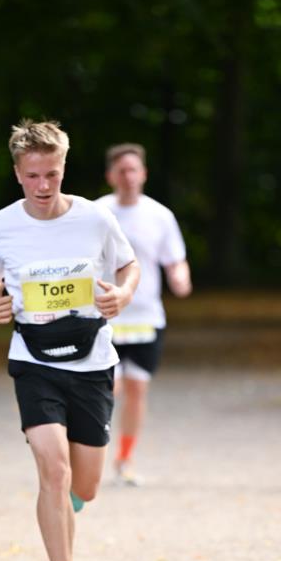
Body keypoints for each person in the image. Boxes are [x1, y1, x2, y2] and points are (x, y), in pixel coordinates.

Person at [0, 120, 139, 561]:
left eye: (53, 174)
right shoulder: (1, 225)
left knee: (83, 486)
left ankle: (70, 506)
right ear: (18, 174)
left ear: (64, 169)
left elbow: (128, 266)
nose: (44, 186)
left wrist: (122, 295)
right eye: (33, 175)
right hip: (33, 360)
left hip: (91, 362)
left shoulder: (95, 219)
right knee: (52, 466)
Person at [96, 144, 192, 485]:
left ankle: (125, 458)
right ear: (111, 176)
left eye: (134, 169)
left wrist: (180, 276)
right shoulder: (96, 213)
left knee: (137, 389)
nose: (128, 176)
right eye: (121, 170)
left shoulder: (160, 215)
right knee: (109, 389)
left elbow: (174, 258)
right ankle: (90, 452)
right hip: (105, 315)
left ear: (144, 174)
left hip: (146, 317)